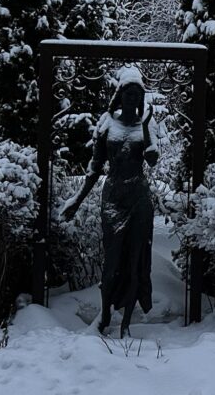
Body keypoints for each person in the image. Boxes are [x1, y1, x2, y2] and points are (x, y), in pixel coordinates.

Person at [60, 66, 159, 338]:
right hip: (114, 198)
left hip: (139, 198)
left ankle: (126, 323)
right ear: (120, 95)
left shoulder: (145, 125)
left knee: (136, 259)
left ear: (140, 100)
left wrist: (147, 126)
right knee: (112, 262)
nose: (131, 99)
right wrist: (76, 201)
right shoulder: (107, 124)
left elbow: (151, 159)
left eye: (136, 95)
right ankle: (105, 316)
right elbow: (94, 169)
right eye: (127, 93)